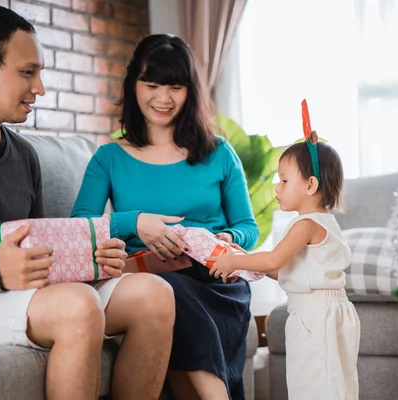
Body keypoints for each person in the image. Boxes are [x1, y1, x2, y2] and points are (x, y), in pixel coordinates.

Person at [0, 6, 176, 400]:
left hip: (19, 297)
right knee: (79, 306)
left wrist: (92, 262)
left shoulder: (22, 155)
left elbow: (39, 247)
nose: (39, 88)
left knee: (153, 295)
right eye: (27, 72)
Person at [71, 33, 259, 400]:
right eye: (151, 84)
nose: (163, 98)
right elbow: (80, 230)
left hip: (217, 281)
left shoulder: (219, 153)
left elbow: (247, 228)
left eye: (175, 86)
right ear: (133, 84)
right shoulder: (108, 158)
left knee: (178, 301)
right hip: (151, 278)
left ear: (191, 91)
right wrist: (134, 222)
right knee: (168, 293)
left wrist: (228, 240)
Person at [208, 135, 361, 400]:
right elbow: (284, 273)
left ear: (310, 185)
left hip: (316, 316)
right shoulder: (325, 222)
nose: (277, 188)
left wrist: (234, 261)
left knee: (318, 386)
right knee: (325, 383)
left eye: (284, 180)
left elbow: (273, 260)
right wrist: (244, 257)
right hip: (321, 312)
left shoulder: (306, 225)